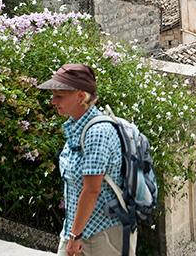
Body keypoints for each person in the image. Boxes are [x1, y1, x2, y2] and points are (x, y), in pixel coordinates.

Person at [38, 64, 136, 256]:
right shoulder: (77, 127)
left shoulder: (97, 133)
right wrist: (72, 233)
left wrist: (75, 235)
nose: (53, 101)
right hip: (78, 230)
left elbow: (91, 189)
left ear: (81, 96)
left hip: (101, 235)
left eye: (59, 96)